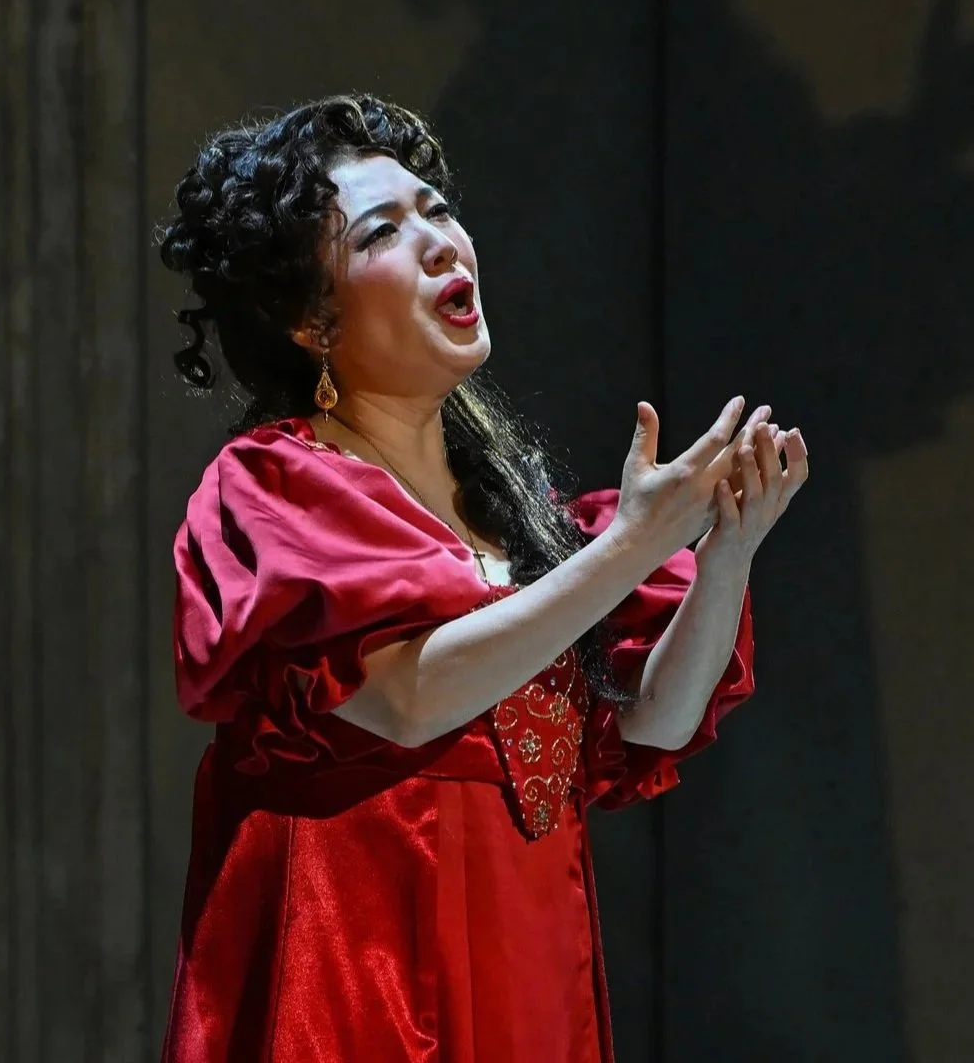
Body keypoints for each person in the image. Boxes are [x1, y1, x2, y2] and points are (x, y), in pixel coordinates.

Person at [156, 94, 808, 1063]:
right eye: (383, 231)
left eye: (437, 209)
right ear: (307, 319)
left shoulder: (516, 512)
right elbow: (410, 697)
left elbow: (654, 724)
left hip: (527, 957)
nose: (439, 241)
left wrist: (726, 555)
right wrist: (631, 547)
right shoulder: (275, 490)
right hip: (363, 974)